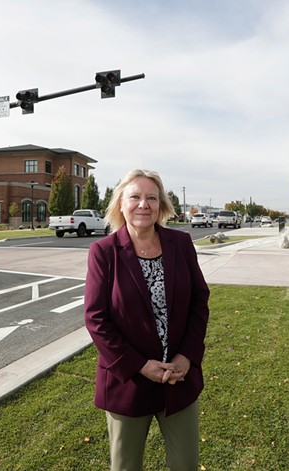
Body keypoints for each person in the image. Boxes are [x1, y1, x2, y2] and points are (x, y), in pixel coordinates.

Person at [84, 169, 210, 470]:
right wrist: (140, 365)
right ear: (121, 205)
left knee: (186, 464)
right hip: (128, 381)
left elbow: (199, 301)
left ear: (161, 205)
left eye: (151, 198)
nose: (144, 204)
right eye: (135, 197)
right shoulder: (103, 251)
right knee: (126, 467)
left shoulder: (181, 244)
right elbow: (95, 317)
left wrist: (187, 357)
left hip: (177, 377)